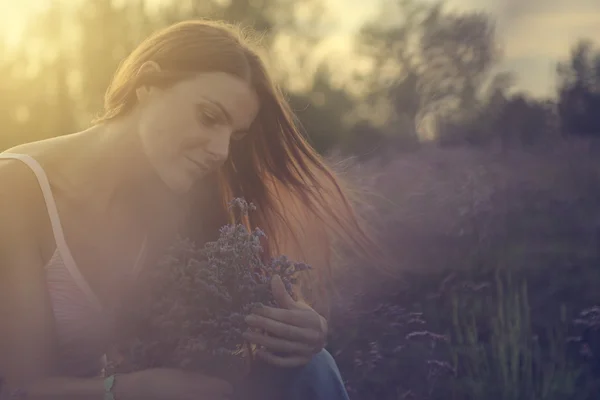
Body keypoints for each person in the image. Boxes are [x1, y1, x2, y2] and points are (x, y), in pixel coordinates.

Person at [0, 19, 375, 400]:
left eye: (234, 136)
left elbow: (221, 338)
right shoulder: (15, 189)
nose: (221, 151)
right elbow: (19, 389)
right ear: (147, 85)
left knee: (311, 368)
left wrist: (299, 329)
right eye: (209, 118)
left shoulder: (178, 199)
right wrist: (134, 389)